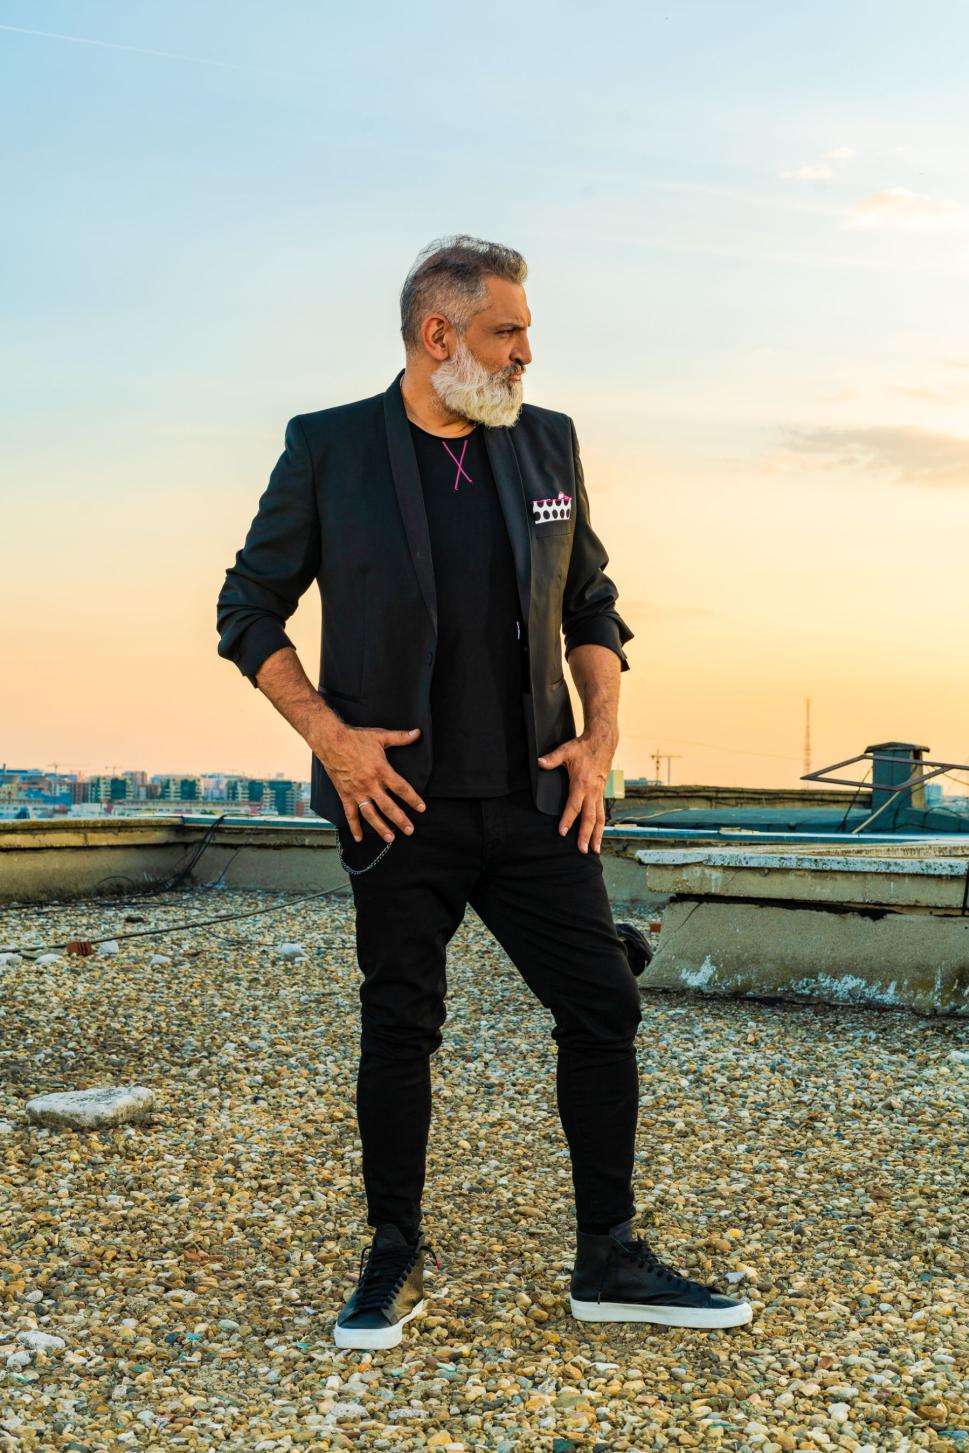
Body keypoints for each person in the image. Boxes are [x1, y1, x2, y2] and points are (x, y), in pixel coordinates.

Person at [216, 235, 752, 1347]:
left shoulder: (546, 442)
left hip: (537, 795)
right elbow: (247, 609)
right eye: (507, 332)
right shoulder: (328, 448)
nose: (525, 354)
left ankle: (609, 1254)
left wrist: (600, 738)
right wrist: (331, 740)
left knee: (601, 1006)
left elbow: (592, 605)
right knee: (399, 1023)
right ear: (437, 335)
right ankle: (392, 1251)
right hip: (393, 800)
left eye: (524, 332)